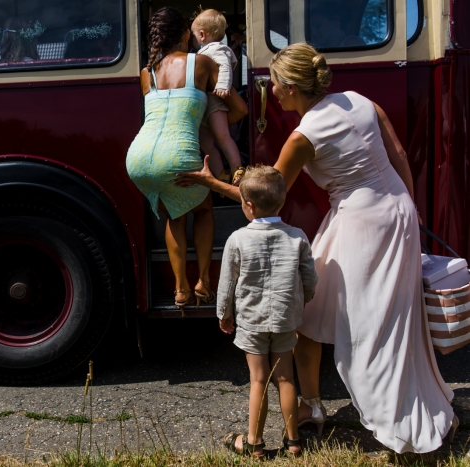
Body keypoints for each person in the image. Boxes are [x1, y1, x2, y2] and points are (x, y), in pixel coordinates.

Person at [174, 43, 458, 454]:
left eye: (274, 83)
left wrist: (211, 183)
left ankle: (392, 420)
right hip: (397, 211)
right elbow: (397, 155)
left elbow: (267, 195)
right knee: (382, 317)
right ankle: (312, 405)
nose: (270, 90)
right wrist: (408, 211)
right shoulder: (360, 101)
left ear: (291, 87)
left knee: (364, 326)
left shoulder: (304, 135)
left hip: (361, 224)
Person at [126, 7, 247, 311]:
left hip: (140, 157)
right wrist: (207, 121)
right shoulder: (201, 63)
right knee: (204, 210)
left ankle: (180, 289)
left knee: (174, 215)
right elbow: (240, 110)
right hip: (178, 153)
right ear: (184, 33)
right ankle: (203, 281)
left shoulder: (147, 73)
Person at [218, 165, 317, 457]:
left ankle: (255, 444)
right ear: (282, 201)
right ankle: (293, 442)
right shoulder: (297, 237)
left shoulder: (238, 239)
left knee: (258, 379)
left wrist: (225, 314)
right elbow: (309, 279)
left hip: (252, 320)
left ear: (248, 205)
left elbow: (227, 284)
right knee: (286, 377)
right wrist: (303, 301)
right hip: (286, 318)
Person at [191, 9, 243, 183]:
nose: (193, 39)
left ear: (202, 34)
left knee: (222, 137)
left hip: (214, 101)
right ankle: (221, 173)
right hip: (203, 103)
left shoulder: (216, 49)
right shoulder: (205, 51)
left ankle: (237, 167)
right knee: (206, 144)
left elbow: (225, 67)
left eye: (194, 35)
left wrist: (222, 86)